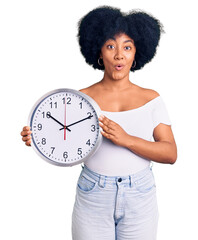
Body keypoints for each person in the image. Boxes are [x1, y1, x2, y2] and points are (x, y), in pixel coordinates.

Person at [21, 6, 177, 240]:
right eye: (110, 46)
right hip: (93, 193)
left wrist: (127, 140)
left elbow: (171, 153)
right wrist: (37, 138)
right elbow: (67, 142)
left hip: (140, 195)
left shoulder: (151, 99)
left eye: (127, 47)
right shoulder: (80, 99)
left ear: (136, 53)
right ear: (98, 51)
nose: (118, 55)